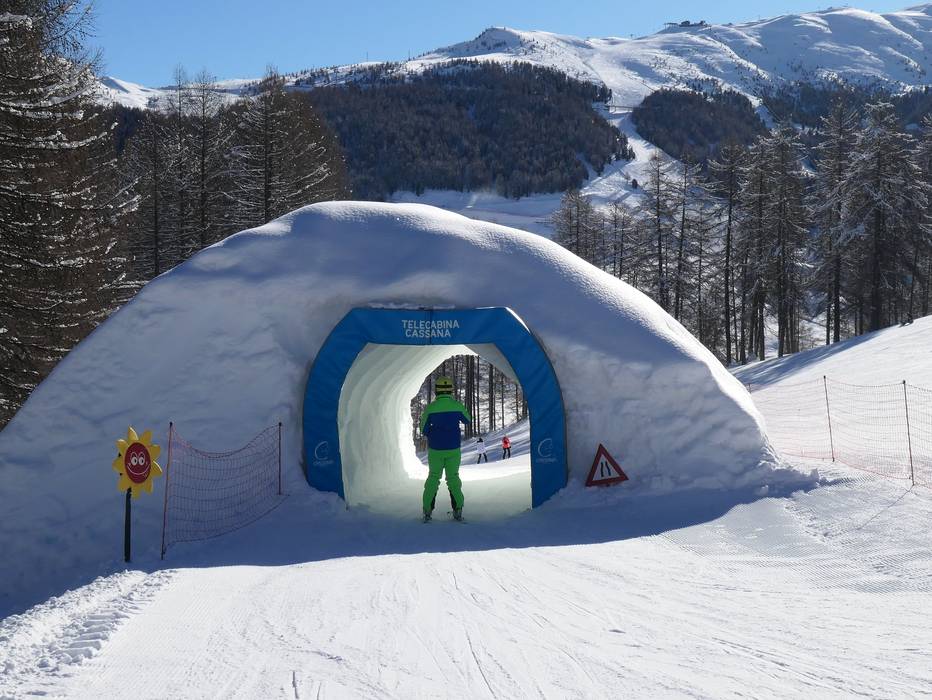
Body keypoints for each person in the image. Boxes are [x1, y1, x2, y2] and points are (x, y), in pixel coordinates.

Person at [419, 376, 471, 522]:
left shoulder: (431, 408)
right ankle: (458, 509)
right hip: (453, 449)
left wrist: (433, 434)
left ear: (437, 391)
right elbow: (467, 420)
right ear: (451, 390)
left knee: (433, 478)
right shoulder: (457, 406)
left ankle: (427, 510)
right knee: (453, 478)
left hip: (435, 449)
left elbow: (423, 429)